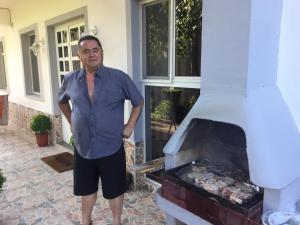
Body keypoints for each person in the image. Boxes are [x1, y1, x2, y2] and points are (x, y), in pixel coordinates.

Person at [57, 35, 144, 225]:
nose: (91, 54)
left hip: (111, 146)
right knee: (86, 189)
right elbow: (61, 101)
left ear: (101, 53)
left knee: (115, 189)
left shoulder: (119, 77)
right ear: (79, 56)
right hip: (83, 147)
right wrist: (71, 120)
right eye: (86, 51)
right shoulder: (70, 79)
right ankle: (85, 221)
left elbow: (138, 102)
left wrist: (130, 126)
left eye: (95, 50)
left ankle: (116, 221)